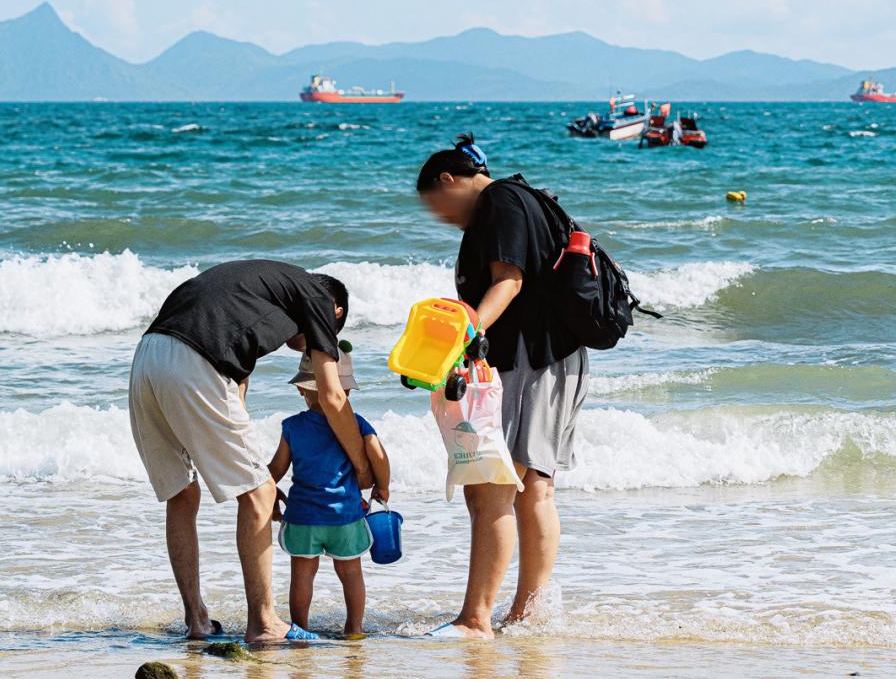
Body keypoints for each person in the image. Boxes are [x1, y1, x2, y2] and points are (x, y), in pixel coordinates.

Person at [128, 259, 371, 644]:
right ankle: (264, 622)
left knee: (182, 493)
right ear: (336, 312)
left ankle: (197, 621)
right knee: (258, 495)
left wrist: (258, 472)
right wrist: (362, 466)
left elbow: (235, 393)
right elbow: (331, 395)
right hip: (196, 361)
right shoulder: (318, 299)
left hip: (147, 356)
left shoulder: (260, 292)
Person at [416, 136, 589, 637]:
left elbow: (508, 281)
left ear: (449, 180)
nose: (444, 220)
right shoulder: (523, 198)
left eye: (439, 209)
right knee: (531, 483)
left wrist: (463, 338)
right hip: (547, 359)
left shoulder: (501, 202)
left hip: (535, 360)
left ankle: (477, 619)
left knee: (498, 485)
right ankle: (522, 614)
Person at [268, 349, 391, 637]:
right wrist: (382, 486)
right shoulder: (358, 423)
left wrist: (269, 493)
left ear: (301, 389)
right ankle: (354, 628)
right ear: (346, 388)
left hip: (303, 516)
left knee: (302, 574)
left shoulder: (293, 426)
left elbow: (276, 469)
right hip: (345, 517)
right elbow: (378, 455)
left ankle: (301, 628)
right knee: (351, 574)